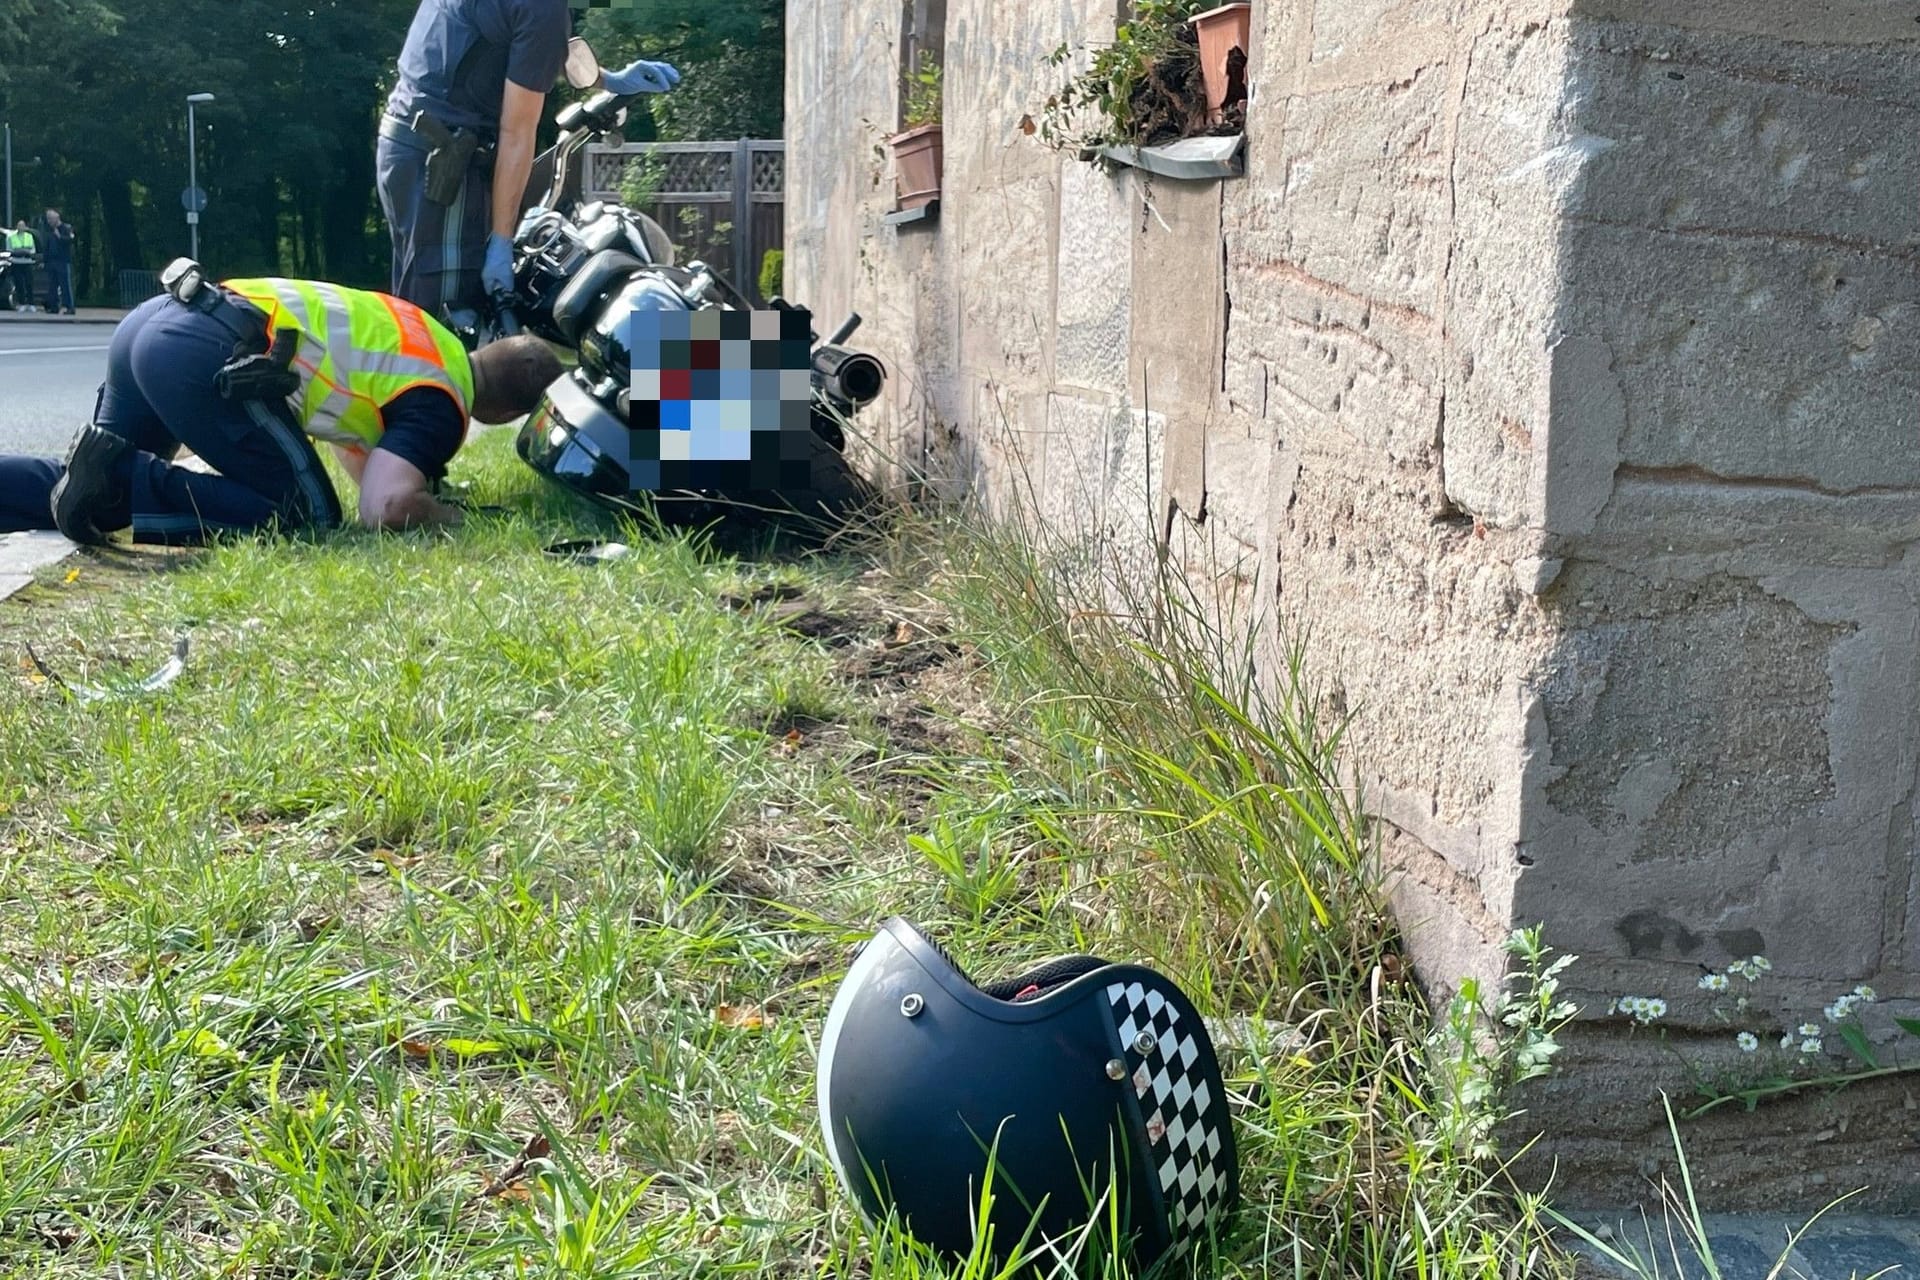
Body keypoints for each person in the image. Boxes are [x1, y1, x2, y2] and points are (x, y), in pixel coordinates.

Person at [0, 266, 563, 545]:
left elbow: (357, 442)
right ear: (507, 414)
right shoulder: (444, 401)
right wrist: (448, 517)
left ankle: (84, 477)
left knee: (91, 493)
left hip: (161, 318)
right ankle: (126, 473)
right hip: (209, 351)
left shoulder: (426, 335)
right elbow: (384, 508)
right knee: (307, 514)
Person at [376, 0, 680, 320]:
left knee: (417, 313)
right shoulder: (544, 8)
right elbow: (517, 133)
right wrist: (502, 242)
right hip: (445, 164)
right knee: (448, 324)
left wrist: (607, 80)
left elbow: (518, 46)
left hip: (406, 145)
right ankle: (723, 361)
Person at [41, 208, 74, 315]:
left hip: (63, 261)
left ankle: (70, 307)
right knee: (52, 286)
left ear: (57, 218)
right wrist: (44, 261)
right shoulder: (49, 231)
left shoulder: (66, 228)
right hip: (52, 261)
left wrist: (59, 237)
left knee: (65, 286)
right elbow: (47, 247)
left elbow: (70, 240)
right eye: (48, 219)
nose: (49, 221)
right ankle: (53, 306)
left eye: (51, 219)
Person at [5, 221, 38, 312]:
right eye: (19, 225)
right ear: (17, 227)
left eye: (23, 226)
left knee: (29, 284)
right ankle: (22, 303)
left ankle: (31, 304)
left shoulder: (29, 236)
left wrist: (26, 252)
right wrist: (19, 252)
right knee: (19, 284)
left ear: (25, 227)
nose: (21, 227)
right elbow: (9, 249)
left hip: (27, 262)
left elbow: (33, 249)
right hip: (17, 262)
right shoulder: (11, 237)